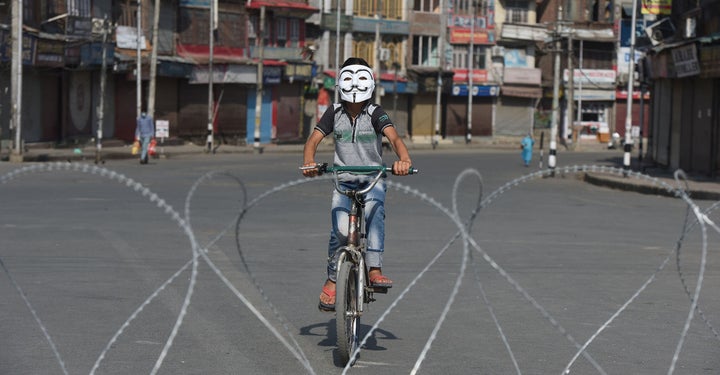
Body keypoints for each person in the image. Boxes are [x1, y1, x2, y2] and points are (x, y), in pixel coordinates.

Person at [302, 57, 413, 312]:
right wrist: (309, 161)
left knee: (375, 213)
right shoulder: (334, 112)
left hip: (372, 177)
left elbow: (394, 138)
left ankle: (374, 268)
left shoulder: (376, 113)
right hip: (343, 178)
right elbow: (313, 140)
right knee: (339, 231)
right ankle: (332, 278)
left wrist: (404, 160)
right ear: (342, 82)